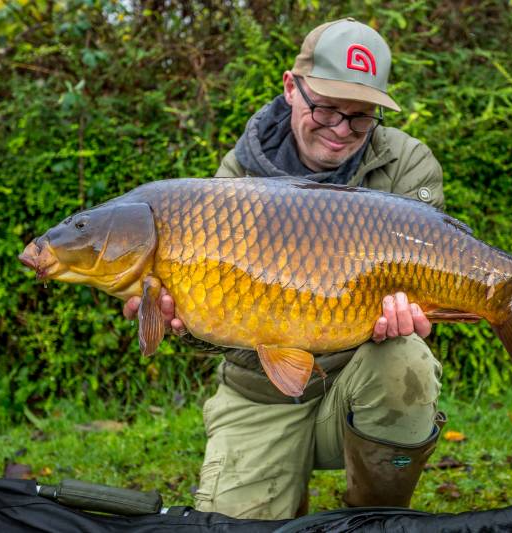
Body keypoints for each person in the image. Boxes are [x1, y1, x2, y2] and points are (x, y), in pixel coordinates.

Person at [124, 18, 446, 519]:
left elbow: (435, 271)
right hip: (261, 392)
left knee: (406, 359)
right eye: (326, 109)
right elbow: (212, 324)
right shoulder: (233, 182)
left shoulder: (407, 165)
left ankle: (370, 520)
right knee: (237, 527)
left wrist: (422, 311)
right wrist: (179, 322)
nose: (341, 131)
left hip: (357, 384)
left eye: (360, 117)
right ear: (291, 88)